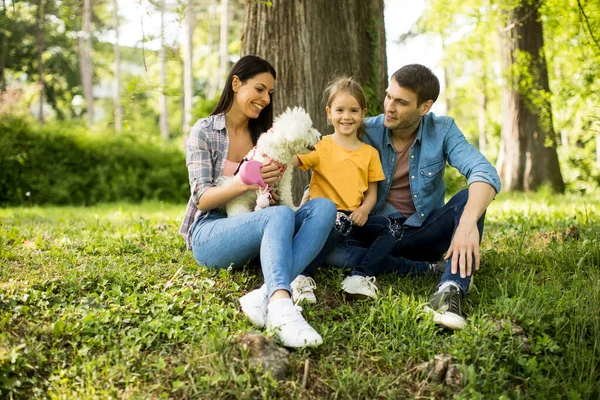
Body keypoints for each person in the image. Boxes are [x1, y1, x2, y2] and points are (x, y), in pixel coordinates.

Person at [327, 64, 501, 330]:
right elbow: (327, 166)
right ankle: (422, 268)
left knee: (468, 199)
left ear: (424, 107)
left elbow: (484, 171)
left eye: (401, 102)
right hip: (375, 234)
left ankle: (449, 289)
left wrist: (466, 224)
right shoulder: (367, 129)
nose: (389, 106)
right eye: (388, 96)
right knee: (331, 251)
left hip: (423, 234)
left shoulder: (442, 130)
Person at [178, 55, 336, 348]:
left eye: (269, 93)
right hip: (212, 230)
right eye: (259, 89)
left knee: (323, 207)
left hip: (257, 221)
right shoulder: (205, 131)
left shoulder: (263, 136)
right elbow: (201, 199)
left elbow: (270, 198)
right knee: (280, 217)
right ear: (236, 83)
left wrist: (269, 193)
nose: (265, 99)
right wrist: (244, 181)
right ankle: (279, 305)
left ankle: (261, 294)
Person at [289, 76, 386, 302]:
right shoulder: (321, 146)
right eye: (340, 110)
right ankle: (302, 275)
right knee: (338, 239)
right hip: (322, 225)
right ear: (329, 113)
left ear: (363, 114)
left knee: (389, 234)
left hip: (352, 225)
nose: (346, 116)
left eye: (353, 110)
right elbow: (293, 160)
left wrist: (364, 210)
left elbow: (372, 192)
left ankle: (361, 275)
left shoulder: (370, 153)